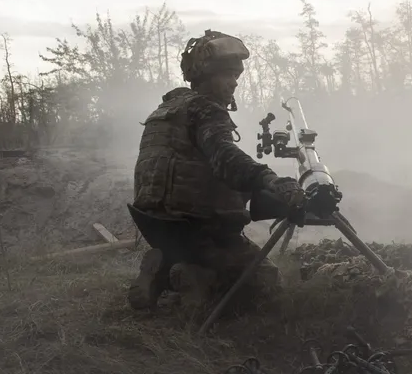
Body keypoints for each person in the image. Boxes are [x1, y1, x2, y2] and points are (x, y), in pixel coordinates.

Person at [127, 29, 305, 313]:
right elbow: (225, 157)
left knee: (199, 251)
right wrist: (270, 179)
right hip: (198, 228)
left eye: (236, 76)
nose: (233, 83)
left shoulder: (167, 108)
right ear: (206, 75)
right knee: (267, 282)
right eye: (227, 75)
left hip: (156, 224)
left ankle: (163, 268)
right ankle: (197, 282)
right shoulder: (205, 110)